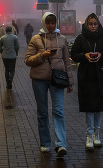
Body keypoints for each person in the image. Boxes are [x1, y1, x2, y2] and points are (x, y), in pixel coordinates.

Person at [25, 12, 74, 157]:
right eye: (48, 22)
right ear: (43, 23)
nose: (50, 25)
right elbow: (28, 60)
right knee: (43, 112)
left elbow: (67, 62)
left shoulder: (62, 39)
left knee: (58, 111)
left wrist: (70, 82)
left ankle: (61, 144)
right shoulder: (36, 39)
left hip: (57, 80)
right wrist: (42, 55)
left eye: (53, 23)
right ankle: (45, 143)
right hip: (39, 80)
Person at [71, 13, 103, 150]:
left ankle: (97, 135)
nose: (93, 26)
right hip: (86, 76)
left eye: (95, 24)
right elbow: (74, 55)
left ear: (98, 24)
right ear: (86, 24)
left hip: (100, 76)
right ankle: (89, 135)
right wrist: (85, 56)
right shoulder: (81, 38)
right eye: (90, 24)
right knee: (89, 107)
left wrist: (101, 55)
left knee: (99, 107)